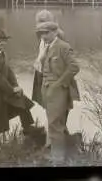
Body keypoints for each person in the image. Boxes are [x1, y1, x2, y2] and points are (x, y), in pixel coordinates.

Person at [35, 21, 80, 164]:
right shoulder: (47, 47)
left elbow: (74, 67)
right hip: (47, 91)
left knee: (55, 125)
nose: (44, 36)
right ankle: (58, 154)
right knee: (54, 124)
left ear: (55, 32)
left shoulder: (63, 47)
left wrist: (59, 84)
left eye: (47, 32)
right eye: (42, 33)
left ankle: (58, 159)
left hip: (58, 92)